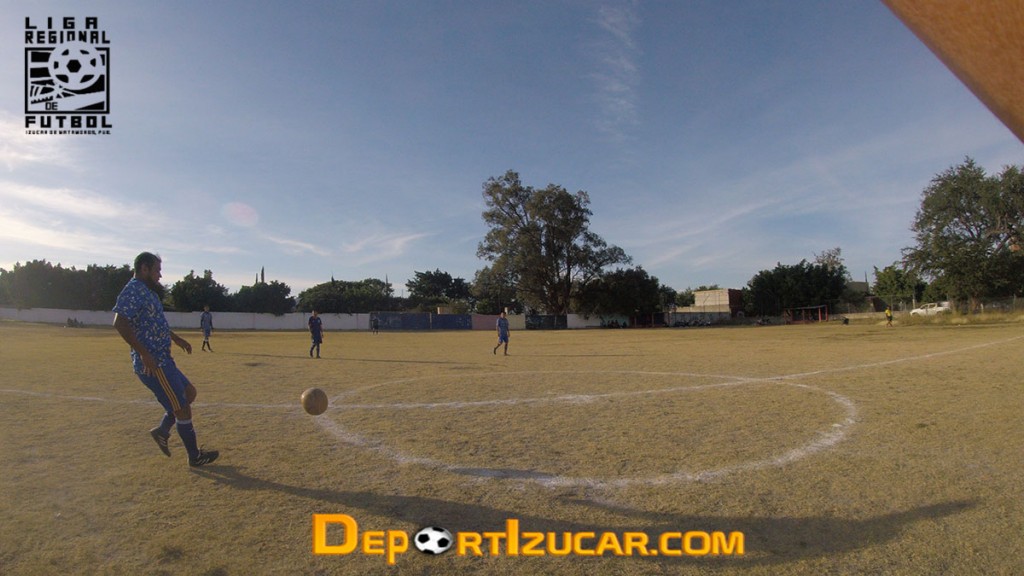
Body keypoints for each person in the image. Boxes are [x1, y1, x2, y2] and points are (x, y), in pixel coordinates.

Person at [112, 252, 219, 467]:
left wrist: (176, 339)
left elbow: (156, 324)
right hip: (155, 364)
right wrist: (144, 353)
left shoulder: (149, 293)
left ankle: (162, 430)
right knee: (181, 408)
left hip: (165, 360)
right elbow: (119, 322)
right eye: (157, 270)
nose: (160, 275)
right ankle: (194, 456)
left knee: (189, 393)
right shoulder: (133, 290)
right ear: (144, 268)